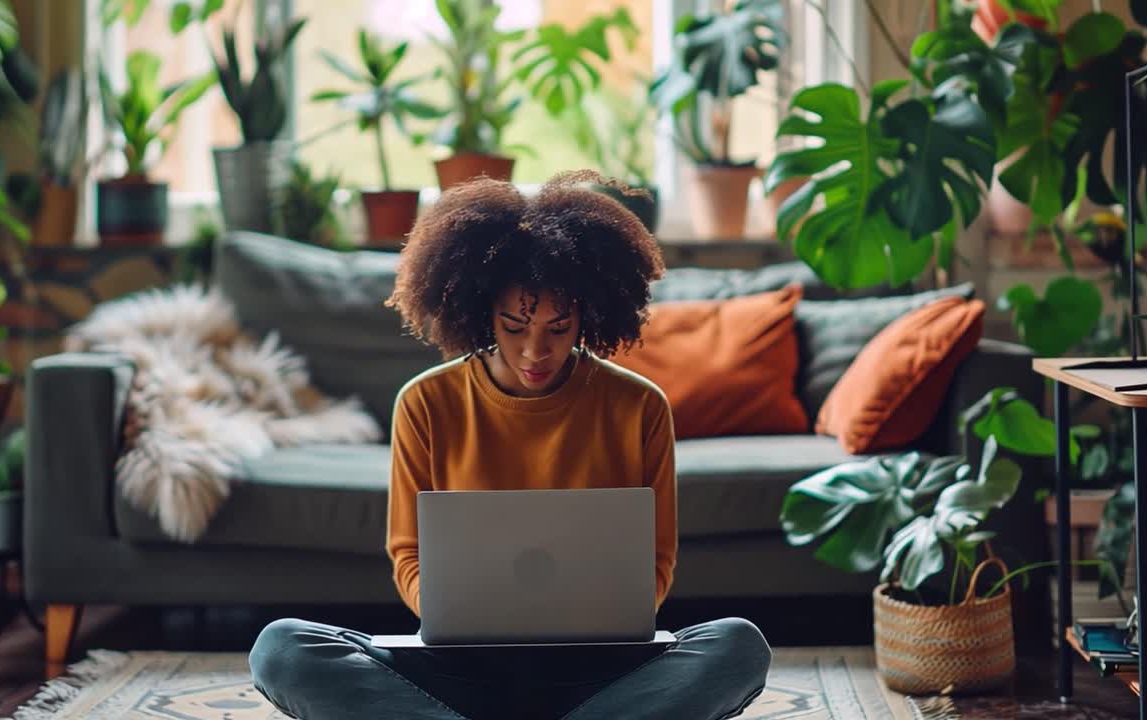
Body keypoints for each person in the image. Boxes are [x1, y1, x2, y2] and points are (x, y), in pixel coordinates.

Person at [249, 170, 772, 720]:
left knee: (737, 645)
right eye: (514, 326)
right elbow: (407, 555)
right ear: (479, 313)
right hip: (460, 670)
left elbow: (656, 564)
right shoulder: (425, 403)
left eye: (558, 327)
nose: (534, 351)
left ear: (589, 316)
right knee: (283, 647)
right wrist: (463, 618)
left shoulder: (639, 407)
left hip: (600, 669)